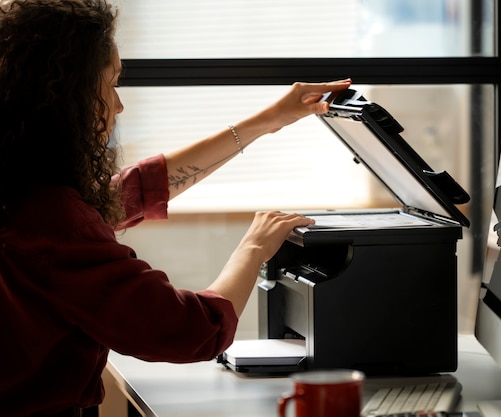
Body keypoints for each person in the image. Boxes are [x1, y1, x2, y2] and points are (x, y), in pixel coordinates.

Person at [0, 0, 352, 415]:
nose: (118, 105)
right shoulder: (54, 221)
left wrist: (268, 119)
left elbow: (133, 191)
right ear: (64, 97)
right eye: (110, 84)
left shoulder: (20, 191)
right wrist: (254, 248)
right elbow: (189, 330)